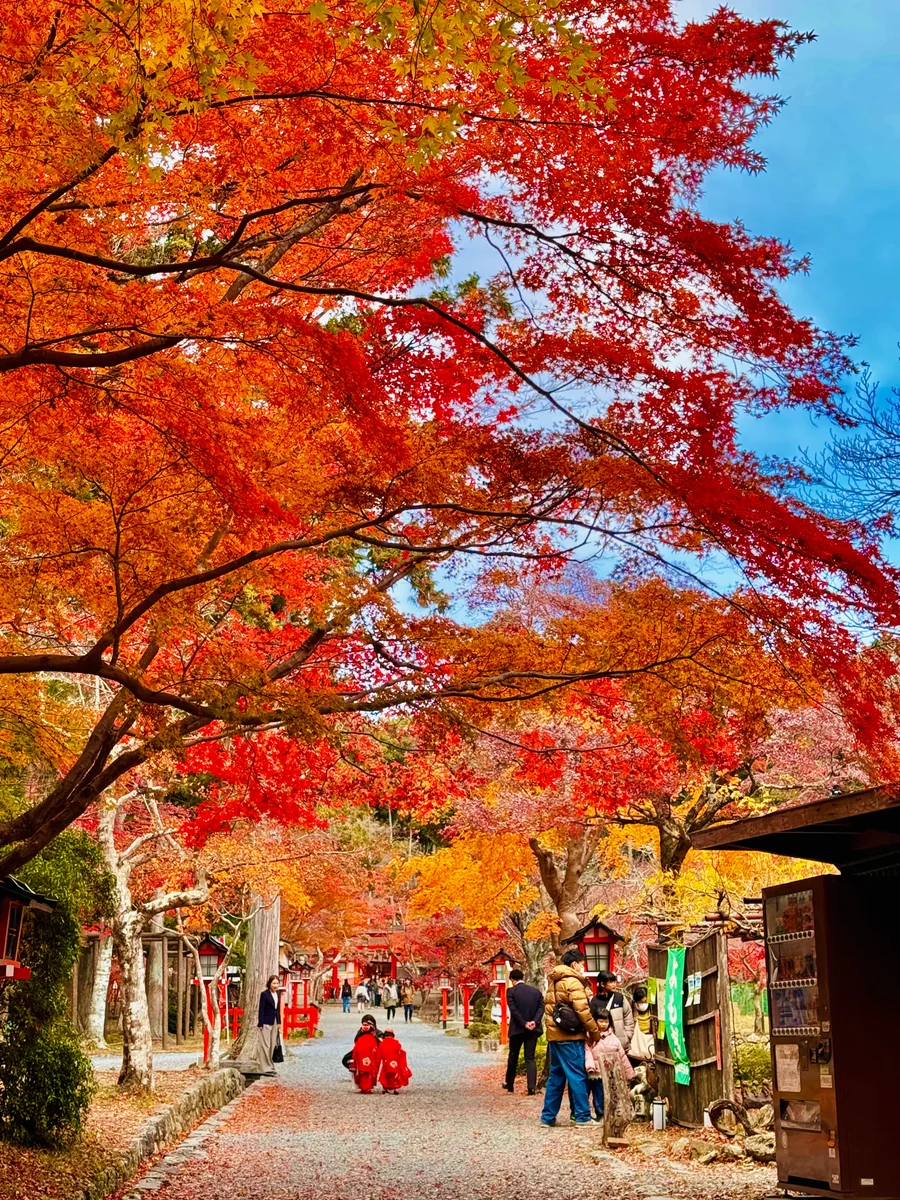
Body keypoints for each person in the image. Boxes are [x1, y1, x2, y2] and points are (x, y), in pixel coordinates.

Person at [541, 947, 600, 1128]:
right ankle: (582, 1116)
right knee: (577, 1076)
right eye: (582, 964)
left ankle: (548, 1117)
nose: (583, 968)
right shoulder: (573, 982)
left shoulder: (555, 981)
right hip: (571, 1036)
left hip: (554, 1036)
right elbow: (583, 1010)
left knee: (556, 1077)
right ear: (574, 964)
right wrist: (594, 1031)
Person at [585, 999, 636, 1120]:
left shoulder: (614, 1039)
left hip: (610, 1072)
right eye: (600, 1021)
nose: (603, 1024)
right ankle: (600, 1113)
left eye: (606, 1021)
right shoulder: (590, 1037)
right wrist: (590, 1066)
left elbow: (622, 1056)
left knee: (610, 1093)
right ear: (595, 1021)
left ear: (610, 1022)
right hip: (596, 1072)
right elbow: (587, 1052)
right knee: (597, 1094)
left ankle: (609, 1113)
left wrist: (629, 1073)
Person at [503, 968, 543, 1095]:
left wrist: (524, 1023)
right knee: (530, 1057)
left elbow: (513, 1010)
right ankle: (531, 1086)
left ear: (512, 980)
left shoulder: (511, 991)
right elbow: (541, 1008)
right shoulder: (536, 992)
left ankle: (510, 1085)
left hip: (517, 1029)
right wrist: (534, 1022)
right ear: (522, 978)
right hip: (533, 1029)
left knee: (513, 1055)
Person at [596, 969, 634, 1052]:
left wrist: (627, 1036)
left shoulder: (619, 998)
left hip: (620, 1043)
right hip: (602, 1046)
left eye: (614, 982)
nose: (614, 985)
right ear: (602, 984)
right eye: (611, 982)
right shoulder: (594, 1001)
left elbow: (628, 1016)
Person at [346, 1014, 382, 1093]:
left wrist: (374, 1034)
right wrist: (361, 1031)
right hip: (360, 1052)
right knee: (347, 1060)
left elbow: (381, 1044)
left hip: (372, 1053)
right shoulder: (361, 1031)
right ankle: (359, 1082)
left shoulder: (378, 1032)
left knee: (370, 1069)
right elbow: (356, 1040)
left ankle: (369, 1085)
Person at [256, 974, 283, 1074]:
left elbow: (278, 1009)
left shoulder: (278, 993)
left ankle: (270, 1065)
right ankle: (264, 1067)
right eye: (273, 983)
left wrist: (279, 1022)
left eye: (277, 983)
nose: (275, 985)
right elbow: (261, 1009)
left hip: (275, 1020)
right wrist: (260, 1023)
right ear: (269, 984)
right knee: (265, 1044)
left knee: (272, 1043)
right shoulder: (265, 994)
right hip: (266, 1021)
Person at [378, 1027, 412, 1094]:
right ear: (393, 1035)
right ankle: (395, 1088)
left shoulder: (382, 1043)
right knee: (395, 1075)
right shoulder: (396, 1043)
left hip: (385, 1062)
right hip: (394, 1062)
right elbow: (399, 1052)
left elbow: (379, 1053)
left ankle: (385, 1088)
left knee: (385, 1075)